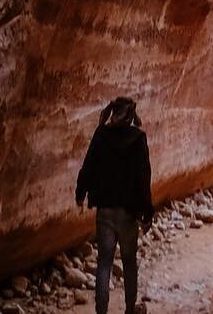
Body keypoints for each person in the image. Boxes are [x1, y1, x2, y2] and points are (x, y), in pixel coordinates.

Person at [75, 97, 154, 314]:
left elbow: (88, 166)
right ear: (130, 116)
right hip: (128, 212)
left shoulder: (101, 135)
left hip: (105, 211)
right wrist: (147, 212)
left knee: (104, 264)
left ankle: (101, 312)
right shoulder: (138, 139)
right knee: (129, 262)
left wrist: (80, 194)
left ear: (113, 112)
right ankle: (130, 309)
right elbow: (143, 177)